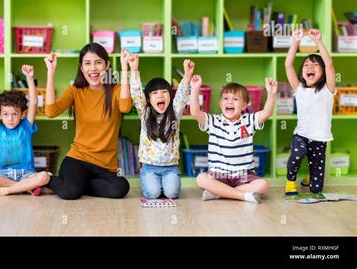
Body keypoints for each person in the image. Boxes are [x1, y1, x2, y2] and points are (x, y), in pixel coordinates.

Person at [44, 43, 132, 200]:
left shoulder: (116, 90)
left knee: (120, 188)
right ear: (81, 68)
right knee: (69, 193)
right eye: (87, 63)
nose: (93, 69)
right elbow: (51, 112)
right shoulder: (75, 91)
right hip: (78, 159)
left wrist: (125, 69)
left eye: (98, 62)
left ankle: (79, 184)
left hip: (106, 166)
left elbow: (125, 107)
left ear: (107, 65)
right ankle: (46, 179)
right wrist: (50, 72)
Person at [191, 76, 276, 203]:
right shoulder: (213, 121)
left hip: (243, 175)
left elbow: (267, 113)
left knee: (263, 185)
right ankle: (243, 195)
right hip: (218, 175)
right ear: (220, 104)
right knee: (201, 179)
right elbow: (195, 112)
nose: (230, 102)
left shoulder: (249, 120)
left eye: (235, 99)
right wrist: (195, 90)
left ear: (244, 105)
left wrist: (271, 94)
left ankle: (219, 193)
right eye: (225, 98)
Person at [0, 65, 50, 197]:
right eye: (6, 114)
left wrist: (30, 78)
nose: (10, 119)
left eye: (15, 114)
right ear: (0, 114)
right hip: (2, 175)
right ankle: (24, 188)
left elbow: (33, 103)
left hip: (27, 174)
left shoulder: (26, 127)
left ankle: (3, 190)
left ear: (22, 114)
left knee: (44, 176)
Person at [129, 54, 192, 199]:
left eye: (164, 92)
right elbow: (137, 93)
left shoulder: (175, 112)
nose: (160, 96)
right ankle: (152, 182)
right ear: (149, 99)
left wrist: (187, 76)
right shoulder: (145, 112)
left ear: (170, 96)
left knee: (172, 193)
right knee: (153, 193)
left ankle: (163, 184)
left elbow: (182, 96)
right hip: (149, 167)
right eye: (155, 93)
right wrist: (134, 69)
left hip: (170, 167)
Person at [284, 28, 336, 195]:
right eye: (306, 65)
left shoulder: (328, 89)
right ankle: (290, 182)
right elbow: (288, 65)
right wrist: (296, 41)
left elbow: (329, 64)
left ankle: (310, 177)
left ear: (322, 73)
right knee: (296, 155)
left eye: (314, 65)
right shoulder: (299, 88)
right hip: (302, 135)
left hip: (319, 140)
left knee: (316, 189)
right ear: (302, 73)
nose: (309, 67)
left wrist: (318, 41)